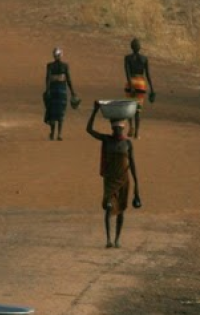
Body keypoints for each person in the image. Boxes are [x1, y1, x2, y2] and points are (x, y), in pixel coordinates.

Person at [86, 101, 137, 249]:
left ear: (123, 129)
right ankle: (108, 239)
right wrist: (95, 111)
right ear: (112, 129)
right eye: (115, 129)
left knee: (121, 210)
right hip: (110, 180)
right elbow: (89, 129)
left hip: (124, 180)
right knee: (109, 207)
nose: (117, 132)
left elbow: (133, 165)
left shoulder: (127, 144)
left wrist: (137, 188)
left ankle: (117, 239)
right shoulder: (107, 139)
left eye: (119, 130)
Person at [44, 48, 79, 141]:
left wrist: (47, 90)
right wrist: (72, 92)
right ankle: (59, 134)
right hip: (62, 91)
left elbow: (47, 79)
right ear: (61, 55)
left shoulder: (50, 66)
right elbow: (69, 79)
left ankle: (52, 133)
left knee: (51, 112)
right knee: (60, 114)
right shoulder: (65, 66)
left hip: (53, 90)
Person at [123, 38, 155, 139]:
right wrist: (152, 89)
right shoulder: (144, 59)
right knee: (138, 110)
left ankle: (131, 127)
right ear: (140, 47)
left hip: (131, 82)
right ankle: (137, 133)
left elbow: (127, 73)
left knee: (129, 107)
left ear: (131, 47)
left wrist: (131, 85)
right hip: (141, 84)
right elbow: (148, 74)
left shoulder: (127, 58)